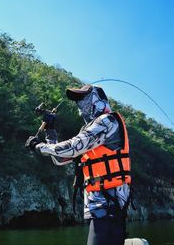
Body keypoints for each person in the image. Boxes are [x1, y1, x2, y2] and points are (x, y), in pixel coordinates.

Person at [25, 84, 132, 245]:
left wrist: (39, 146)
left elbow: (74, 147)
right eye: (78, 100)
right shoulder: (89, 130)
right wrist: (50, 130)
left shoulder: (107, 121)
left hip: (110, 205)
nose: (80, 104)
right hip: (99, 208)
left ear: (97, 99)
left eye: (84, 98)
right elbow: (59, 159)